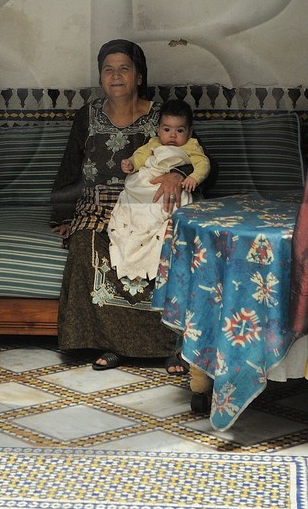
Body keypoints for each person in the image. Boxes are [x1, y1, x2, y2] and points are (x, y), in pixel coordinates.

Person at [51, 39, 184, 372]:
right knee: (86, 247)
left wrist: (177, 175)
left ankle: (170, 345)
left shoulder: (161, 115)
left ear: (139, 76)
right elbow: (70, 166)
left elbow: (197, 155)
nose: (116, 75)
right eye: (107, 69)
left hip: (149, 207)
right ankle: (110, 344)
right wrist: (63, 216)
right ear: (100, 77)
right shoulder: (88, 116)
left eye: (124, 68)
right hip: (97, 206)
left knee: (165, 247)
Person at [106, 99, 210, 282]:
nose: (172, 136)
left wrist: (194, 178)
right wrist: (131, 163)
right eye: (167, 129)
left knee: (172, 204)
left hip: (175, 188)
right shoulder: (154, 143)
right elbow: (141, 156)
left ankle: (154, 224)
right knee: (133, 193)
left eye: (180, 130)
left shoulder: (191, 146)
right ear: (158, 129)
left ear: (190, 132)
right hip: (148, 182)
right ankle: (139, 225)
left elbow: (203, 163)